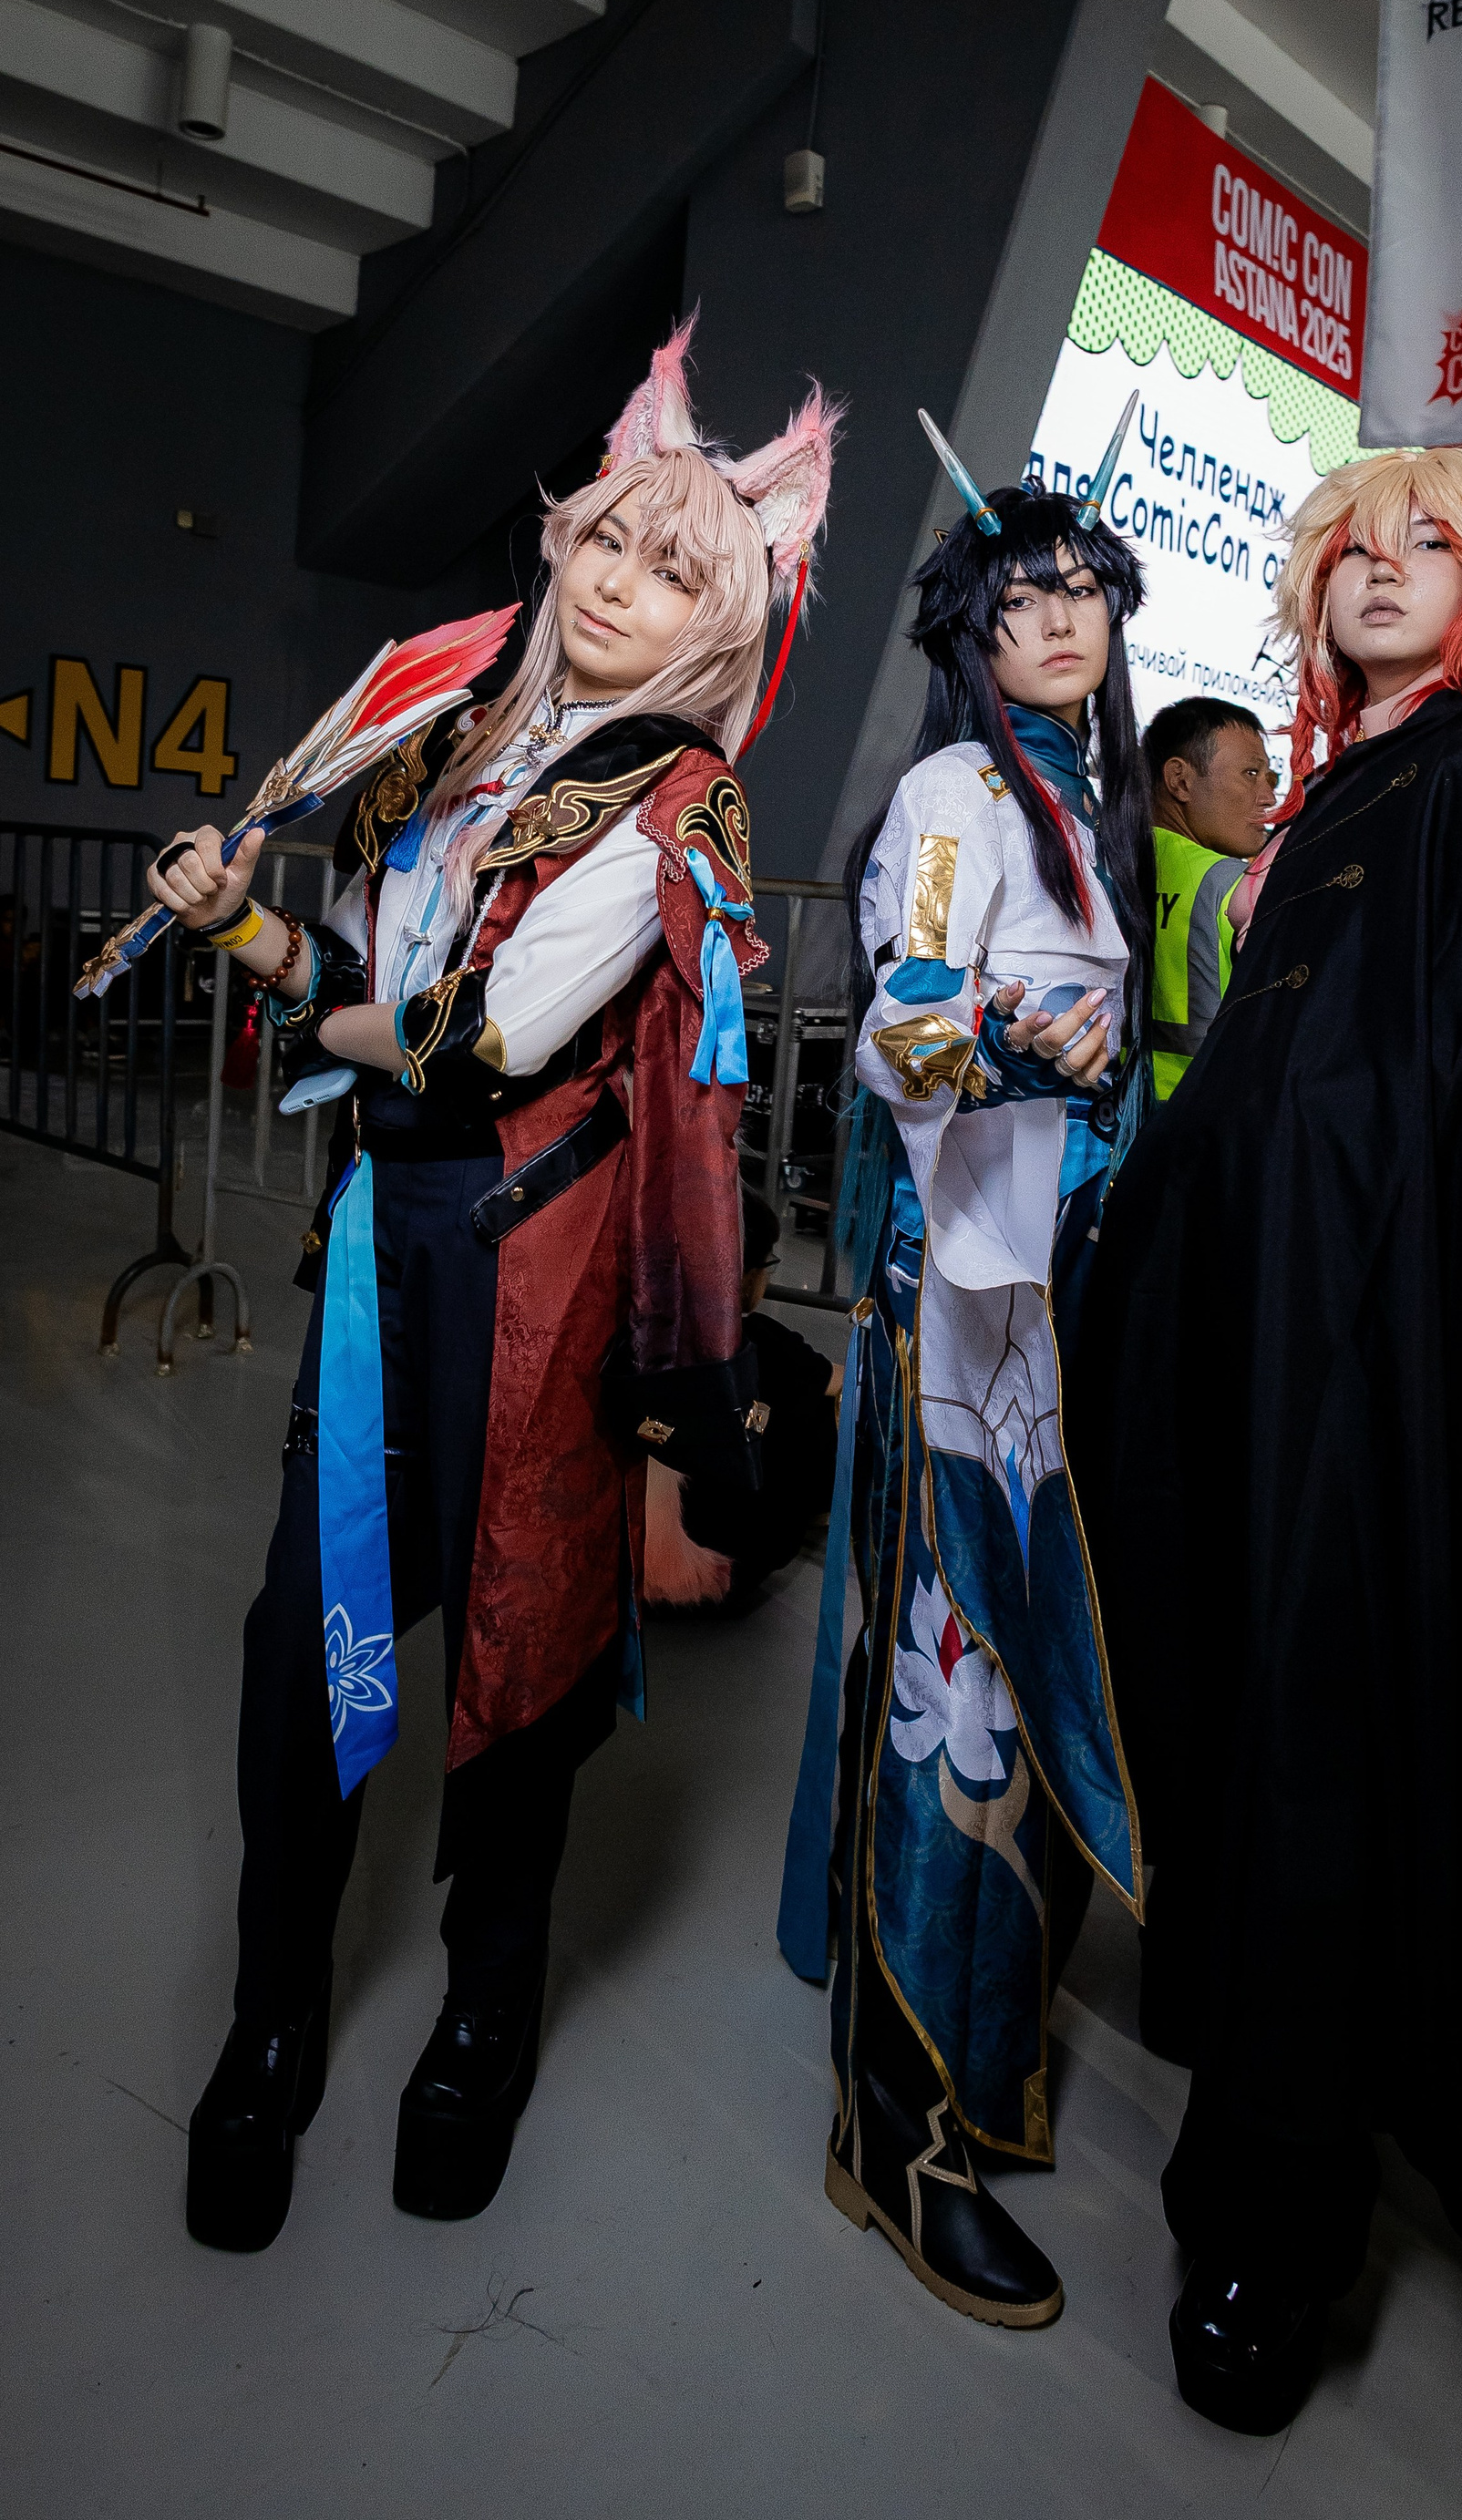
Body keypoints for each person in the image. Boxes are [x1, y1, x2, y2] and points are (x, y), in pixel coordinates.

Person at [145, 321, 837, 2250]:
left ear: (722, 618)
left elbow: (483, 1033)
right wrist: (246, 919)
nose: (620, 586)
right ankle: (272, 2019)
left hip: (543, 1263)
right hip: (386, 1239)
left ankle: (481, 2025)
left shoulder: (683, 800)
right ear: (559, 539)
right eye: (607, 541)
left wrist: (303, 988)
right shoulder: (443, 750)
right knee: (310, 1645)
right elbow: (368, 970)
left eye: (671, 571)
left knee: (519, 1659)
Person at [1073, 446, 1462, 2431]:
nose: (1386, 569)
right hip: (1254, 1341)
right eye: (1358, 547)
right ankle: (1261, 2142)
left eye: (1434, 545)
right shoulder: (1332, 799)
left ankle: (1277, 2211)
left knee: (1324, 1752)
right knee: (1253, 1734)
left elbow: (1461, 1120)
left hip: (1371, 1370)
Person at [776, 408, 1155, 2329]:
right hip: (964, 1309)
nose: (1064, 617)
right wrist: (1018, 1040)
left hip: (1051, 1307)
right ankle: (898, 2133)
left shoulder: (1084, 803)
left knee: (1008, 1702)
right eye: (1026, 596)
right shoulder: (953, 794)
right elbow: (897, 1028)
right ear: (970, 630)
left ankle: (975, 2081)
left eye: (1087, 590)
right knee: (956, 1721)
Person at [643, 1188, 844, 1611]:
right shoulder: (760, 1343)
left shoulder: (630, 1338)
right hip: (728, 1581)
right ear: (747, 1274)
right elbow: (846, 1383)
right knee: (824, 1404)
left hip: (623, 1581)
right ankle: (816, 1514)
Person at [1143, 698, 1276, 1101]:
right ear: (1180, 781)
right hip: (1203, 1116)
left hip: (1100, 1119)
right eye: (1251, 773)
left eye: (1270, 778)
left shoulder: (1099, 864)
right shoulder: (1237, 884)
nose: (1269, 798)